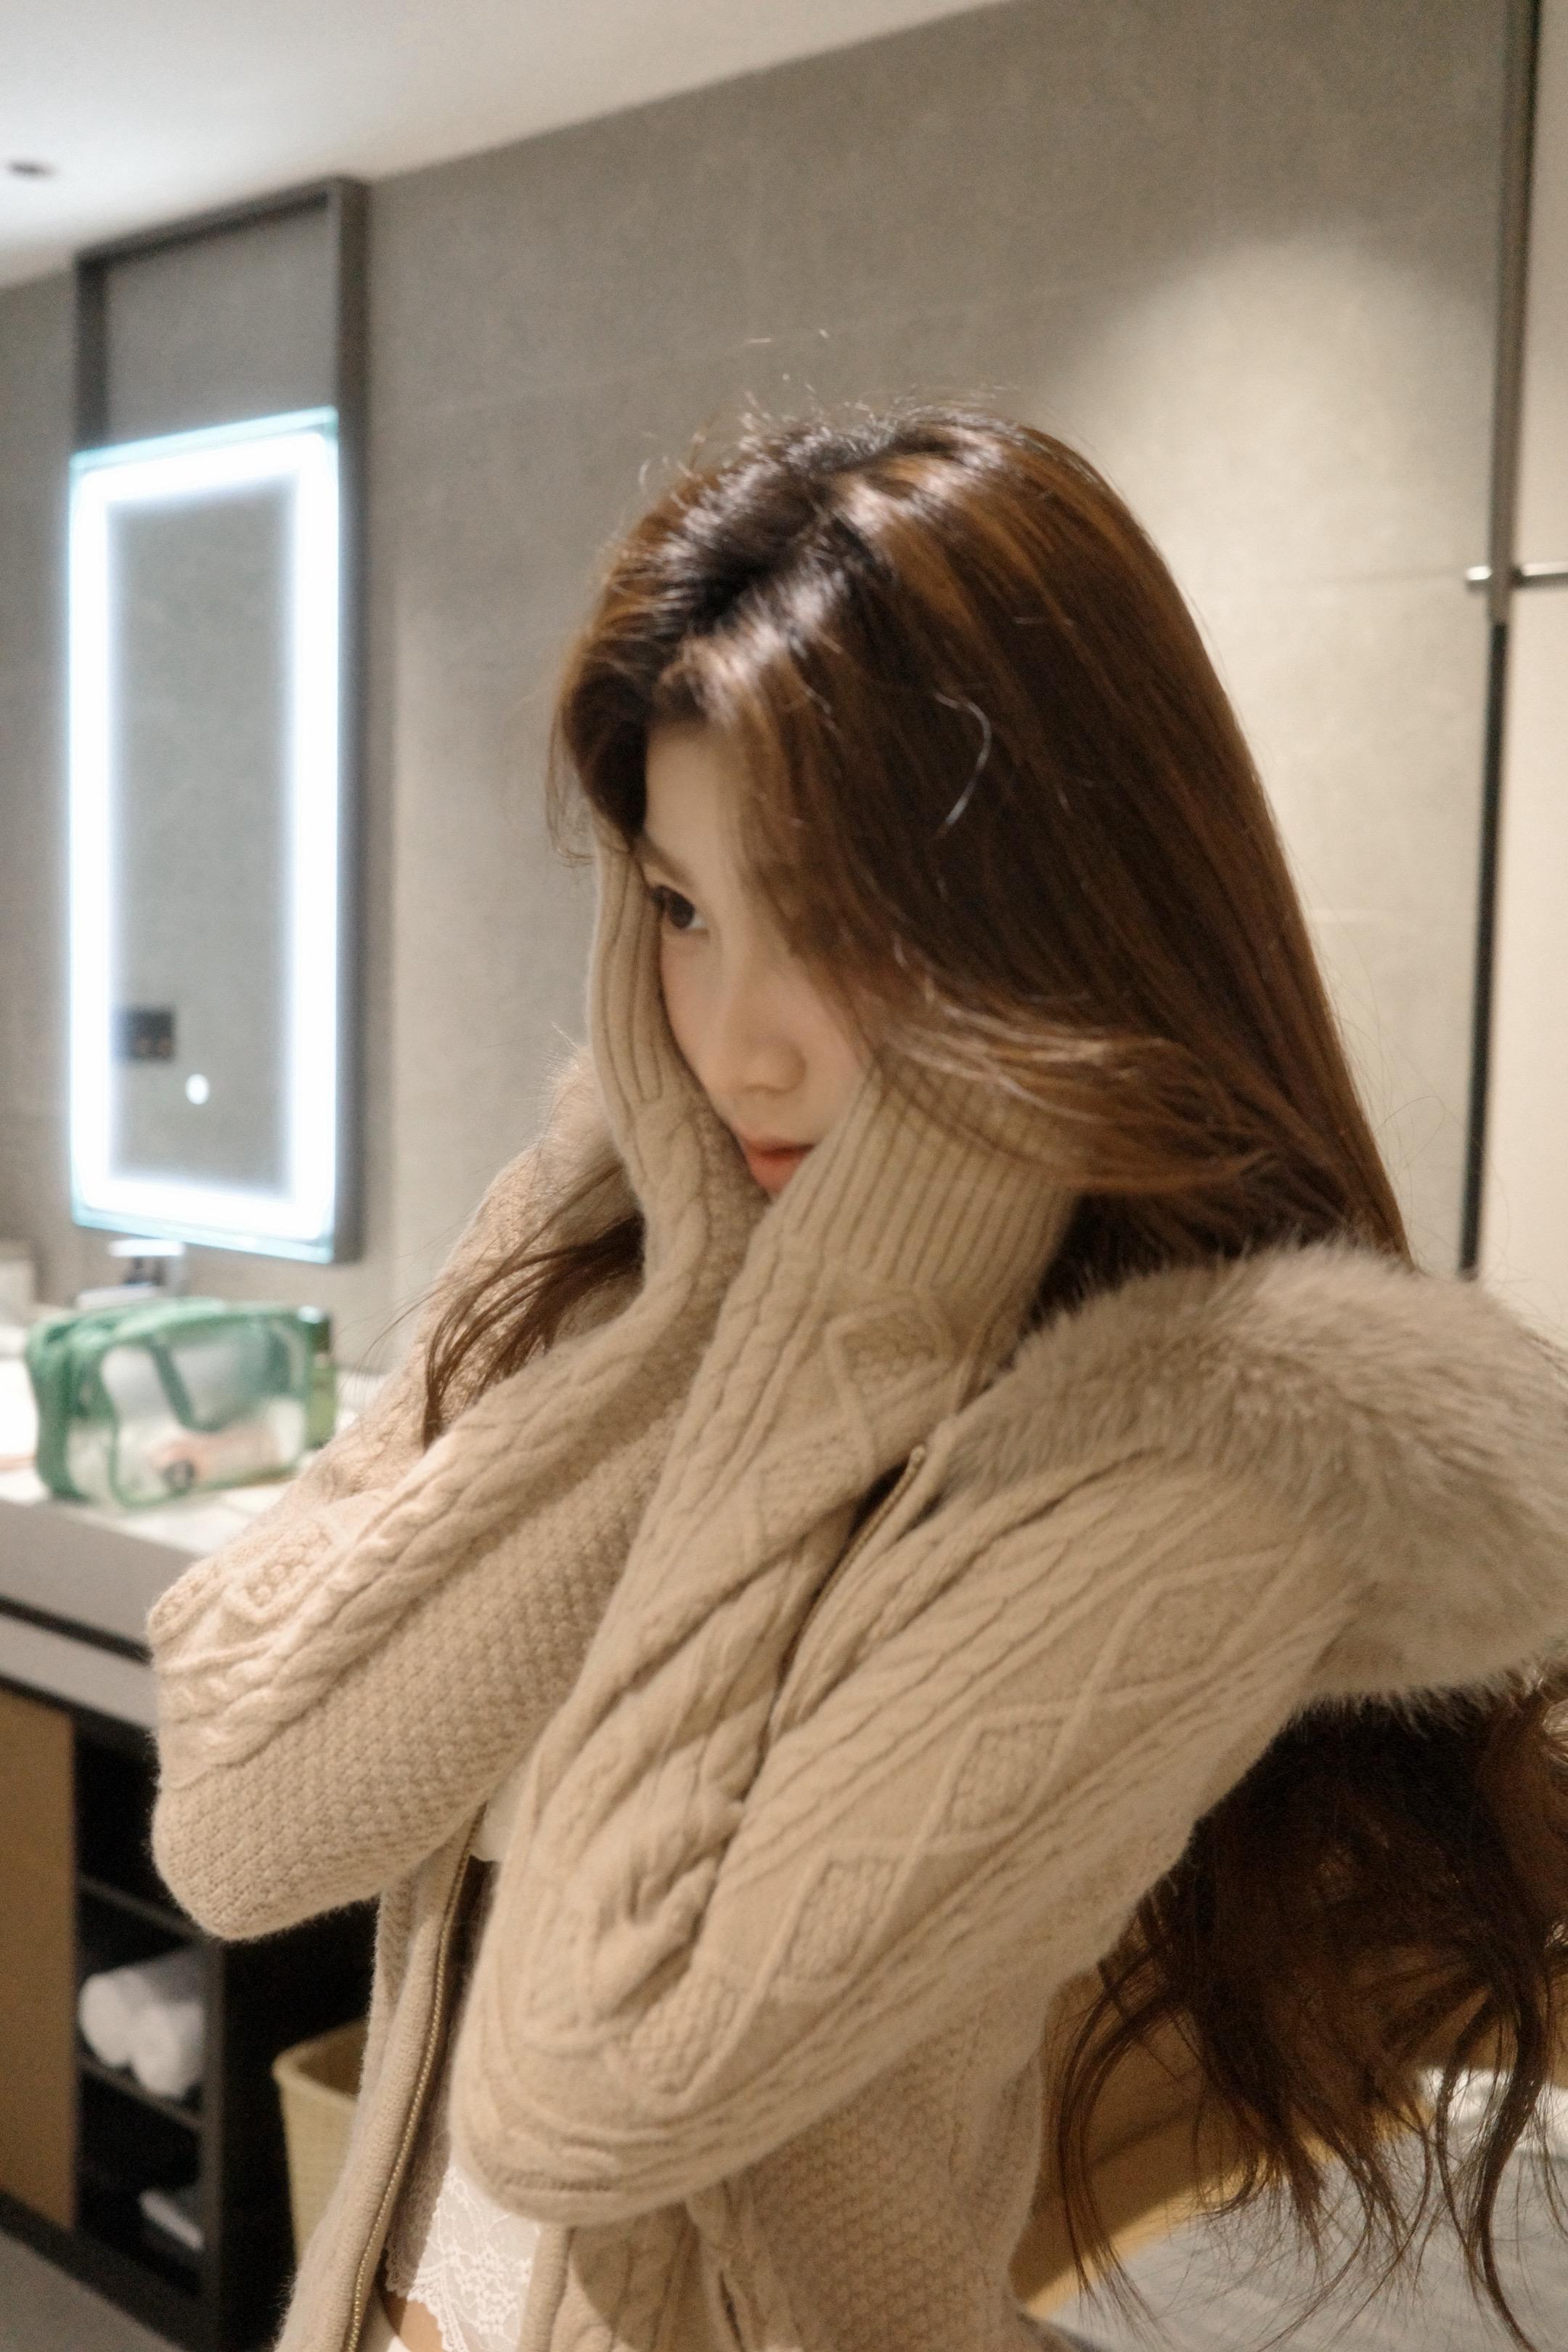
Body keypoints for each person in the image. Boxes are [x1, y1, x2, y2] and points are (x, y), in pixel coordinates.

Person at [150, 407, 1568, 2352]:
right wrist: (695, 1314)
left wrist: (840, 1316)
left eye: (841, 923)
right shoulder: (616, 1232)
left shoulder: (1200, 1448)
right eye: (681, 909)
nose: (741, 1046)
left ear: (1056, 912)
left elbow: (594, 2079)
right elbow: (240, 1823)